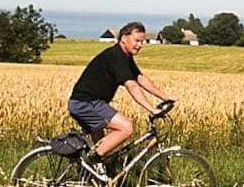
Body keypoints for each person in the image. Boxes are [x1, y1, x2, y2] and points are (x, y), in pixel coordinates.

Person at [68, 21, 173, 178]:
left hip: (93, 103)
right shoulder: (116, 56)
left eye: (142, 42)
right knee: (126, 127)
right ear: (124, 38)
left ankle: (95, 178)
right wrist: (151, 109)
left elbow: (140, 78)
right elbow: (131, 85)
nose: (140, 45)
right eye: (137, 41)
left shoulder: (124, 56)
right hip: (86, 103)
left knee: (103, 149)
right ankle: (91, 161)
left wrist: (165, 97)